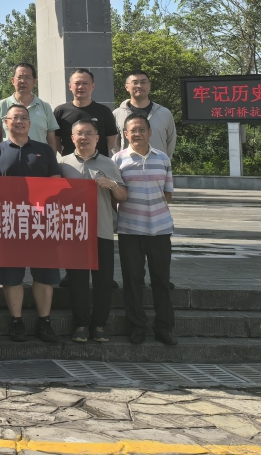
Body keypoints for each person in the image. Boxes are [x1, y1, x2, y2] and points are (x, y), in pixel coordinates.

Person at [0, 103, 64, 344]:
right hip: (9, 222)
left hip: (41, 222)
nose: (19, 121)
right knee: (12, 275)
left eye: (23, 118)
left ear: (30, 123)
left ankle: (45, 321)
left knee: (45, 274)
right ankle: (16, 321)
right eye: (14, 118)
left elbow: (55, 182)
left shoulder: (44, 150)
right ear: (5, 122)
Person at [59, 117, 127, 344]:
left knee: (103, 281)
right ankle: (80, 324)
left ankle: (99, 324)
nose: (84, 137)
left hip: (102, 229)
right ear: (72, 138)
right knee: (77, 281)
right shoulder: (63, 164)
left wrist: (112, 185)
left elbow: (123, 196)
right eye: (79, 133)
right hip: (74, 232)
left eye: (89, 133)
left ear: (97, 138)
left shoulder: (109, 164)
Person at [114, 112, 177, 346]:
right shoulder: (117, 160)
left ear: (150, 132)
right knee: (132, 281)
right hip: (130, 230)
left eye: (142, 129)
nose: (138, 133)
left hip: (160, 229)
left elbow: (167, 194)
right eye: (133, 130)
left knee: (161, 280)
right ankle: (137, 326)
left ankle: (164, 327)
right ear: (125, 134)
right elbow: (115, 195)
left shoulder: (163, 158)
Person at [0, 62, 59, 148]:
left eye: (27, 77)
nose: (23, 81)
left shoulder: (45, 107)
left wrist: (51, 156)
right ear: (12, 81)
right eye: (19, 77)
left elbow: (52, 141)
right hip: (9, 156)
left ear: (34, 82)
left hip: (39, 156)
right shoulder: (1, 105)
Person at [53, 68, 119, 157]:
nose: (81, 87)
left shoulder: (104, 111)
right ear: (70, 86)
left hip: (98, 161)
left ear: (93, 86)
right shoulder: (60, 111)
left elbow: (111, 140)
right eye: (77, 83)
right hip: (70, 163)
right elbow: (55, 140)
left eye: (85, 83)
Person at [113, 70, 178, 157]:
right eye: (135, 83)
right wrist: (122, 160)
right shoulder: (117, 114)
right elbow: (114, 143)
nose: (139, 86)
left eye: (143, 82)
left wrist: (163, 161)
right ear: (127, 87)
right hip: (127, 164)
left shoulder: (164, 113)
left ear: (149, 85)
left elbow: (171, 141)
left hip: (158, 164)